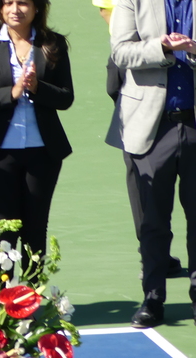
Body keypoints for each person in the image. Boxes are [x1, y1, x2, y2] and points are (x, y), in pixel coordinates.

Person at [0, 0, 73, 269]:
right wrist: (12, 93)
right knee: (3, 231)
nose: (15, 9)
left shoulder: (53, 44)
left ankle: (31, 300)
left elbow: (66, 97)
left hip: (43, 152)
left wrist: (37, 87)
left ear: (37, 8)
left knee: (35, 228)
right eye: (9, 2)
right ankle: (3, 304)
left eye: (23, 2)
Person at [107, 0, 196, 327]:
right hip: (150, 127)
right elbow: (121, 51)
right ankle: (153, 299)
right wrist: (161, 47)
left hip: (194, 124)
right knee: (153, 221)